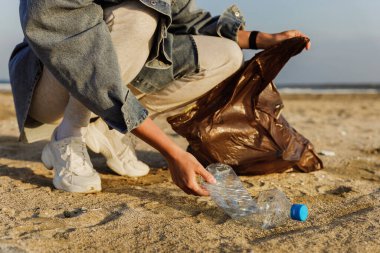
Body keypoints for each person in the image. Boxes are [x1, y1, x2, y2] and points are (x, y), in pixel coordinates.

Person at [9, 0, 310, 195]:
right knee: (139, 17)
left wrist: (263, 39)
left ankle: (108, 128)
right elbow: (91, 72)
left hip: (107, 77)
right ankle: (68, 136)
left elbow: (190, 20)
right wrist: (172, 152)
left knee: (227, 55)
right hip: (52, 85)